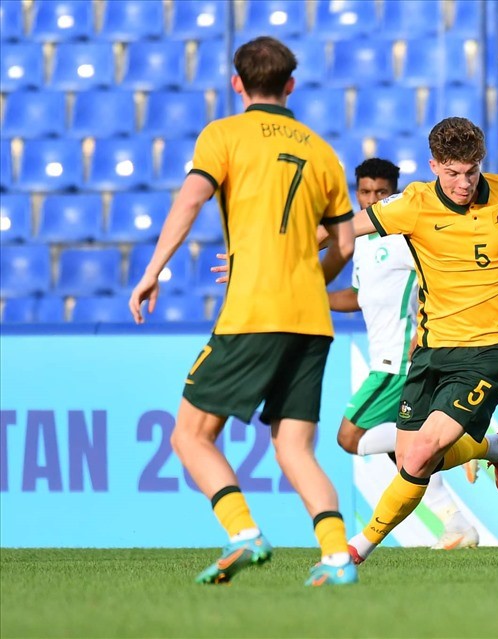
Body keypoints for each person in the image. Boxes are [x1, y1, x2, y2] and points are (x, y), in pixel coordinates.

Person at [128, 37, 358, 587]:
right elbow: (346, 244)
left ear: (238, 83)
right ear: (290, 85)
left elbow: (189, 199)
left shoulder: (224, 135)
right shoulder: (322, 150)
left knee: (189, 436)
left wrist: (152, 272)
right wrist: (307, 280)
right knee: (294, 447)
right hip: (311, 320)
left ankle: (243, 533)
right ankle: (335, 557)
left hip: (253, 312)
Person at [344, 117, 498, 563]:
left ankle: (354, 552)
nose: (463, 183)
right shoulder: (411, 205)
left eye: (471, 171)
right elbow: (337, 233)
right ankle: (497, 446)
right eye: (452, 173)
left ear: (481, 163)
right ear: (434, 165)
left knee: (418, 457)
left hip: (490, 350)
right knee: (412, 453)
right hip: (432, 351)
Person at [328, 158, 480, 551]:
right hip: (386, 360)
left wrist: (424, 333)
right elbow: (359, 297)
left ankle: (466, 440)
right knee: (408, 452)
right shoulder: (363, 241)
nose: (373, 199)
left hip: (399, 363)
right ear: (356, 193)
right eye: (365, 192)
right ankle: (457, 524)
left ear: (394, 193)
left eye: (381, 193)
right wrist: (312, 297)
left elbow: (443, 281)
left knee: (350, 435)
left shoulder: (403, 234)